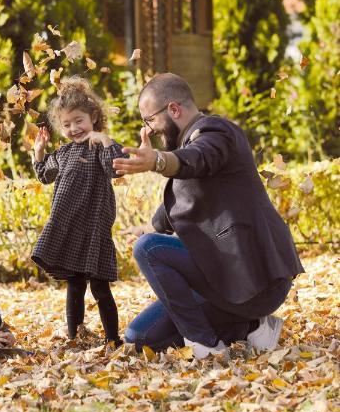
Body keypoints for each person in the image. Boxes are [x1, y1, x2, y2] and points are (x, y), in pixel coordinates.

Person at [113, 72, 304, 360]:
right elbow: (177, 204)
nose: (149, 130)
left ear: (174, 109)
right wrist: (147, 225)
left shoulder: (216, 132)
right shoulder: (187, 149)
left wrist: (158, 161)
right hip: (224, 278)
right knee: (140, 336)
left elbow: (199, 159)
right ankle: (251, 326)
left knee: (148, 248)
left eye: (149, 119)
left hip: (254, 279)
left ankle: (207, 347)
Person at [31, 76, 127, 347]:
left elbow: (114, 168)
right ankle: (75, 335)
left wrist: (105, 140)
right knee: (75, 286)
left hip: (94, 227)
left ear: (93, 117)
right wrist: (38, 153)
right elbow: (44, 175)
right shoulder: (62, 153)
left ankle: (112, 339)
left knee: (100, 287)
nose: (74, 128)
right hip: (69, 226)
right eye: (66, 124)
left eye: (79, 121)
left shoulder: (100, 146)